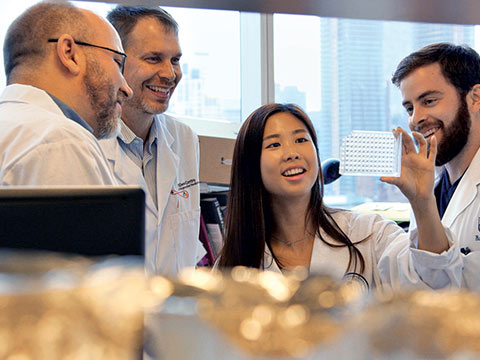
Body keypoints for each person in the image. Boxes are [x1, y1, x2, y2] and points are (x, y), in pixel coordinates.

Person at [217, 103, 462, 291]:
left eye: (301, 139)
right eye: (273, 145)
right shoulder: (234, 261)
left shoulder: (368, 234)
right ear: (250, 165)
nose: (292, 153)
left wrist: (423, 203)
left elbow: (435, 280)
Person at [100, 6, 203, 276]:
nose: (170, 74)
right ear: (116, 61)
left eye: (176, 60)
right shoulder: (87, 141)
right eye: (154, 58)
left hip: (174, 311)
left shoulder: (184, 139)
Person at [0, 1, 132, 186]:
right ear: (69, 53)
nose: (127, 89)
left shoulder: (11, 128)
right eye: (117, 62)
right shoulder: (60, 141)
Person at [391, 43, 480, 290]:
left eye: (429, 101)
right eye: (409, 108)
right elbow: (428, 280)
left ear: (475, 98)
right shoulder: (429, 188)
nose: (415, 119)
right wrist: (422, 203)